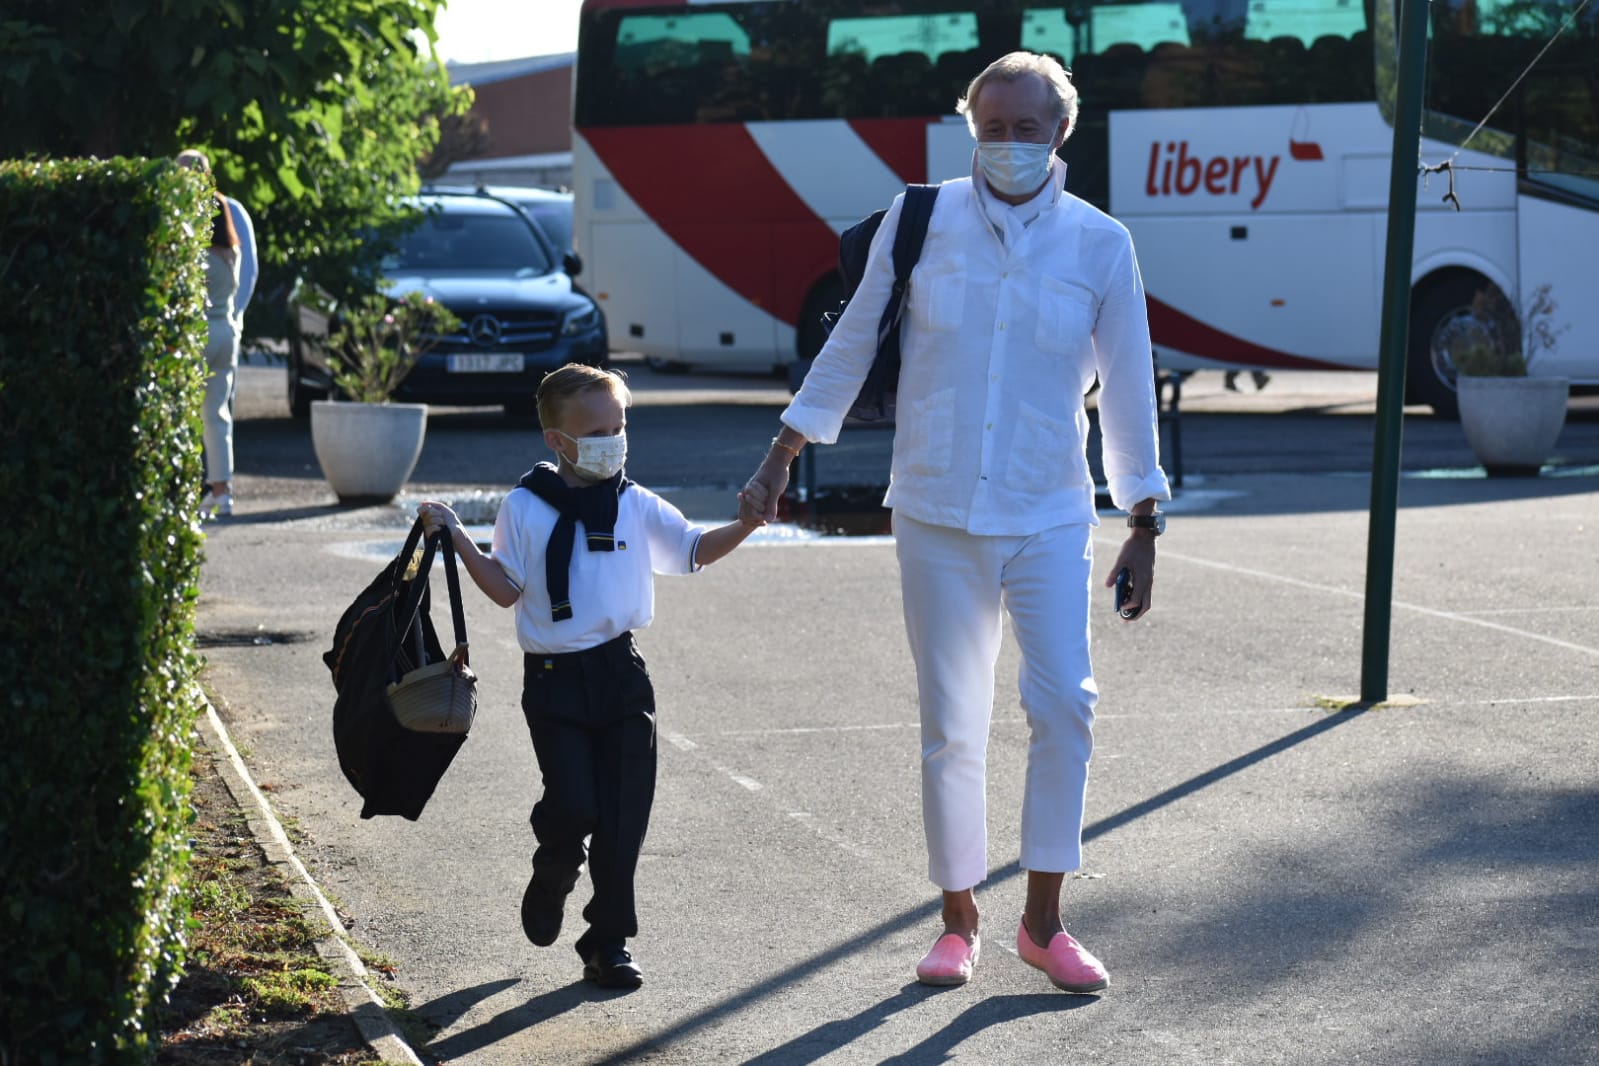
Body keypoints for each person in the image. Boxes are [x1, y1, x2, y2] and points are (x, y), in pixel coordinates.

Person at [740, 52, 1170, 994]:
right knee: (952, 724)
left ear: (1062, 131)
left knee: (1064, 707)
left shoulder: (1100, 244)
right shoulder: (919, 218)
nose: (1008, 144)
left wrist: (1142, 515)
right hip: (933, 508)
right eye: (992, 126)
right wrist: (782, 454)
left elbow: (1130, 387)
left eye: (1027, 127)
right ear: (969, 126)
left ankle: (1044, 923)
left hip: (1050, 509)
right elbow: (850, 342)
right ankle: (957, 919)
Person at [419, 364, 758, 989]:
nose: (614, 440)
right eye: (598, 430)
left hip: (622, 674)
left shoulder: (634, 502)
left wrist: (744, 525)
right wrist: (461, 539)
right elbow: (504, 588)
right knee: (575, 803)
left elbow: (690, 548)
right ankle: (554, 863)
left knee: (625, 816)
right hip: (553, 679)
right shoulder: (523, 506)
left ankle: (608, 941)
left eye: (619, 426)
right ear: (557, 440)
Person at [176, 149, 241, 519]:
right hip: (226, 332)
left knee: (187, 414)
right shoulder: (230, 251)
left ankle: (188, 487)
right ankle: (222, 491)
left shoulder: (194, 244)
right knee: (217, 415)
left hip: (200, 334)